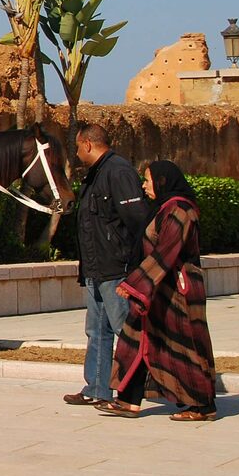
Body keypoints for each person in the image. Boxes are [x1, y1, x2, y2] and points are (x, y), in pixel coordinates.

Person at [99, 160, 218, 420]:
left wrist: (135, 284)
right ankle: (129, 399)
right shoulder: (164, 208)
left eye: (148, 180)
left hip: (178, 291)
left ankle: (201, 405)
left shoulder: (180, 210)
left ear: (162, 181)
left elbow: (167, 250)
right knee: (136, 338)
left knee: (185, 345)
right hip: (157, 288)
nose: (143, 185)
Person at [63, 124, 149, 408]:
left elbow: (137, 220)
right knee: (97, 331)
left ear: (88, 144)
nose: (76, 154)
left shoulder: (118, 171)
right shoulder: (96, 173)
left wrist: (132, 266)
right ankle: (97, 388)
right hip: (95, 270)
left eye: (77, 147)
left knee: (125, 331)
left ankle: (129, 392)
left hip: (116, 269)